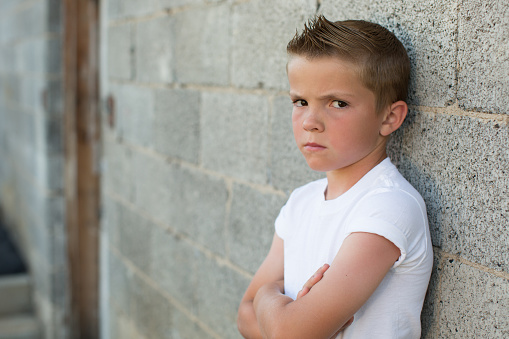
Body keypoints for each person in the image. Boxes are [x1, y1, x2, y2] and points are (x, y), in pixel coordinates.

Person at [237, 15, 433, 339]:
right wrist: (278, 313)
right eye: (300, 101)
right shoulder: (300, 203)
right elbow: (244, 317)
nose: (310, 122)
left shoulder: (389, 206)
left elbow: (288, 332)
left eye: (338, 103)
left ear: (389, 117)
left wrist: (266, 297)